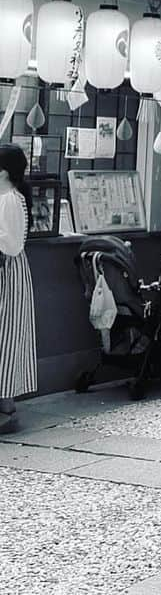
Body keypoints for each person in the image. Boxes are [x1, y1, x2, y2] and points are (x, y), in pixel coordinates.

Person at [0, 144, 36, 433]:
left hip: (7, 274)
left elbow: (12, 245)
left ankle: (7, 407)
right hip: (6, 273)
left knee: (7, 338)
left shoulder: (10, 199)